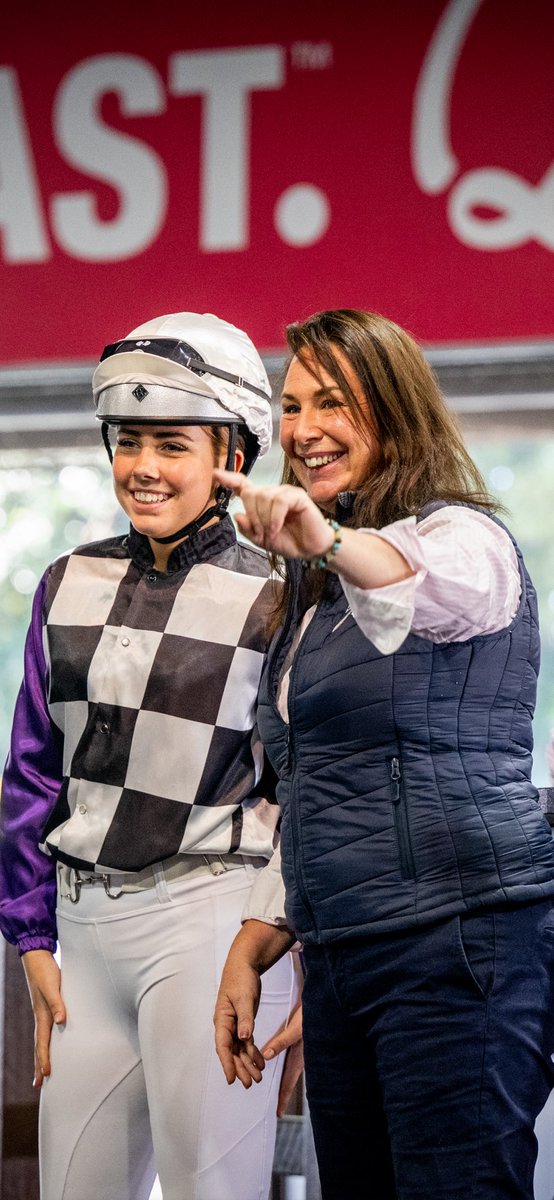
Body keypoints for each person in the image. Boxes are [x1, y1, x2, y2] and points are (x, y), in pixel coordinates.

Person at [213, 308, 554, 1200]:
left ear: (396, 411)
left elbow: (410, 580)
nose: (303, 429)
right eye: (291, 405)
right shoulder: (312, 604)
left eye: (333, 402)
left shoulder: (464, 541)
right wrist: (256, 939)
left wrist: (327, 541)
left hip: (457, 939)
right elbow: (315, 785)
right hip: (341, 956)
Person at [0, 311, 301, 1200]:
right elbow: (30, 771)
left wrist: (290, 948)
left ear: (234, 458)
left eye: (172, 444)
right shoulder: (64, 580)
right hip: (81, 927)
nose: (142, 467)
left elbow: (306, 787)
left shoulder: (283, 594)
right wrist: (30, 936)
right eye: (128, 441)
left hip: (213, 921)